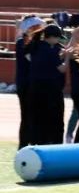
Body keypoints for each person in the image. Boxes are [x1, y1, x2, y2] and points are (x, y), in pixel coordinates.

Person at [27, 24, 71, 145]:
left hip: (35, 88)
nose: (58, 41)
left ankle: (36, 142)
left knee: (38, 118)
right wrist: (67, 57)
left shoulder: (36, 46)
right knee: (54, 119)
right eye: (57, 38)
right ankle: (53, 143)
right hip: (50, 90)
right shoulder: (50, 51)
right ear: (51, 37)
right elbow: (62, 69)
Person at [15, 16, 46, 148]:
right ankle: (23, 146)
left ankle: (32, 144)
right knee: (27, 116)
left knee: (34, 116)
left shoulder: (35, 43)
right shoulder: (22, 42)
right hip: (26, 84)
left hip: (33, 84)